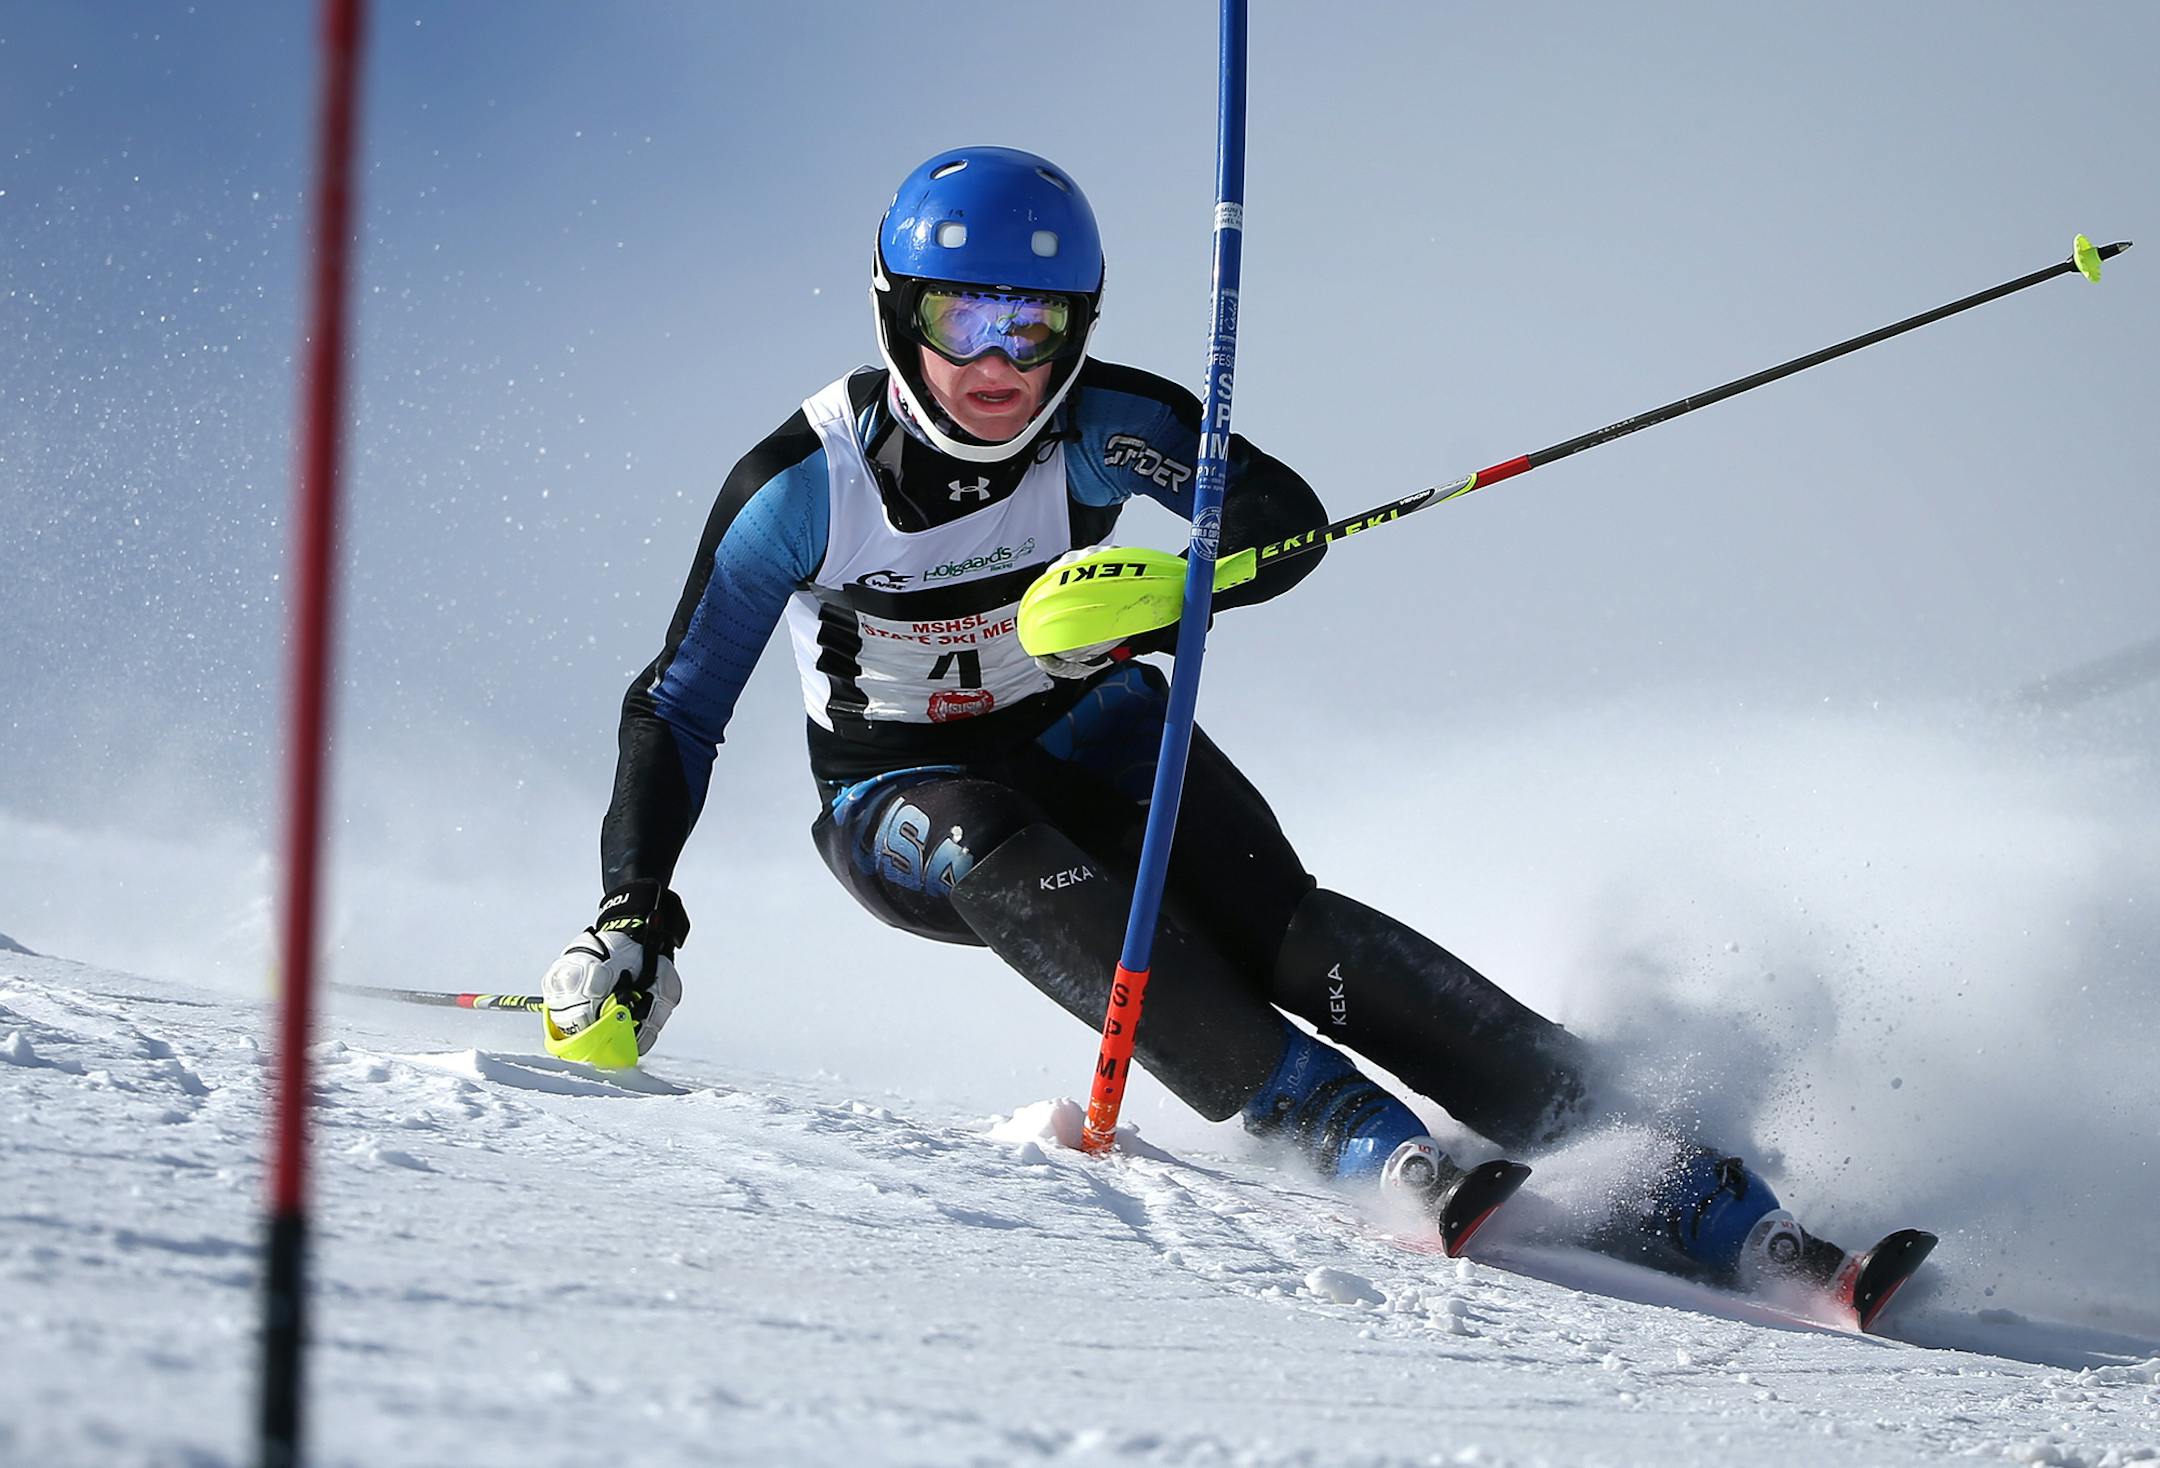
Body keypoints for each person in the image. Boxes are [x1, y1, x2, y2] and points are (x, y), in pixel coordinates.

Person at [540, 146, 1816, 1286]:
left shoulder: (1105, 429)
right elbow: (678, 701)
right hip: (900, 795)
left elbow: (1285, 520)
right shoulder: (802, 488)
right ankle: (1348, 1132)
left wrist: (1176, 591)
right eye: (963, 319)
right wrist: (633, 902)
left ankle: (1669, 1170)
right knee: (994, 833)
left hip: (1093, 729)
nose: (997, 365)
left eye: (1034, 328)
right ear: (896, 313)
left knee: (1288, 930)